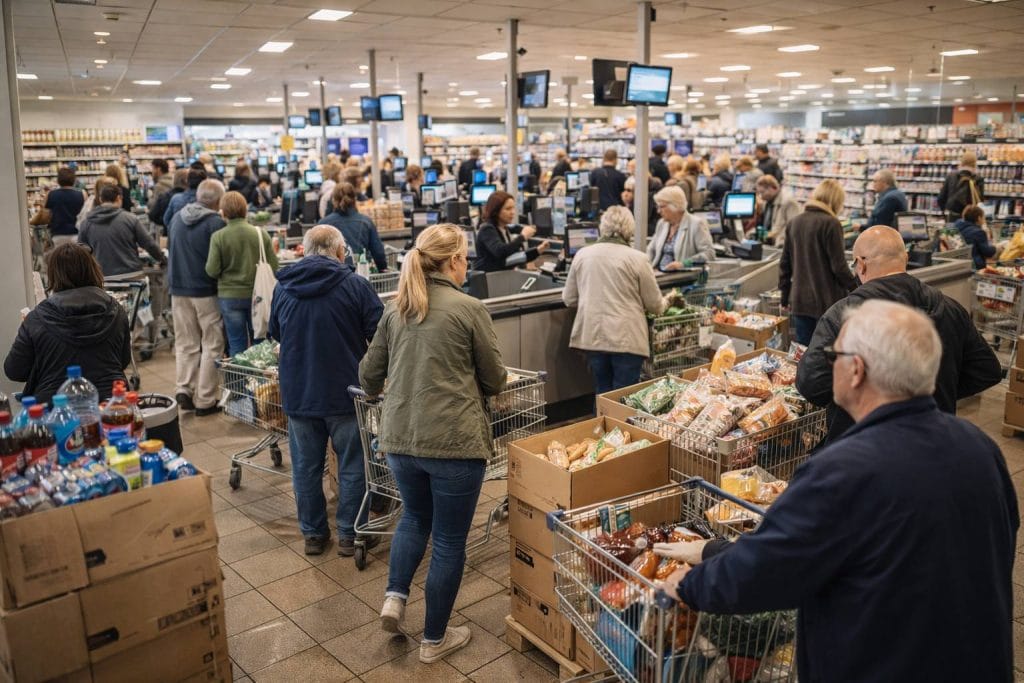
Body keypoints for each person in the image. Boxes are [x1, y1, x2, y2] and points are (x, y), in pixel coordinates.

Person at [658, 300, 1017, 683]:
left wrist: (690, 585)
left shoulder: (842, 470)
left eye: (834, 354)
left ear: (857, 370)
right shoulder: (980, 449)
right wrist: (713, 550)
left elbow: (766, 574)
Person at [359, 224, 507, 663]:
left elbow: (368, 375)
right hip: (455, 441)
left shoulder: (396, 309)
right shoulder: (469, 309)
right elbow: (495, 378)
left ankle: (395, 596)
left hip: (401, 440)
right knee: (447, 541)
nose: (467, 264)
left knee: (414, 518)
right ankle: (434, 641)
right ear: (453, 261)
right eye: (465, 256)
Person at [797, 225, 1001, 444]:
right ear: (905, 258)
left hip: (860, 444)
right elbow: (987, 370)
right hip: (933, 440)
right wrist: (935, 392)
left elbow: (812, 385)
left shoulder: (842, 315)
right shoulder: (949, 307)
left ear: (861, 264)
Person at [269, 226, 383, 557]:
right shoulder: (355, 285)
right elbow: (380, 333)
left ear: (304, 251)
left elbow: (275, 332)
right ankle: (350, 533)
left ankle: (314, 535)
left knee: (305, 467)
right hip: (345, 391)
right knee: (352, 463)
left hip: (299, 391)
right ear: (340, 251)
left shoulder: (284, 287)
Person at [4, 244, 131, 405]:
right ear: (92, 268)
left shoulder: (37, 318)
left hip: (54, 412)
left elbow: (14, 371)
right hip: (111, 406)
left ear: (53, 275)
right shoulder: (116, 311)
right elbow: (123, 360)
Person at [563, 207, 664, 393]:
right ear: (629, 229)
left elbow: (569, 298)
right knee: (624, 396)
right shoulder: (638, 259)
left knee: (602, 393)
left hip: (593, 336)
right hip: (626, 339)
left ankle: (599, 423)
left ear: (603, 226)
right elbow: (655, 305)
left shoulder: (582, 255)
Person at [167, 179, 227, 416]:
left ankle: (184, 387)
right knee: (212, 343)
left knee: (186, 343)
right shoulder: (215, 223)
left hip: (178, 289)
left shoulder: (177, 218)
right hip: (205, 291)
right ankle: (205, 399)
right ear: (218, 201)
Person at [778, 179, 857, 345]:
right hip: (827, 303)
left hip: (799, 301)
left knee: (803, 352)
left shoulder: (795, 222)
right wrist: (858, 287)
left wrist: (785, 297)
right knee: (825, 354)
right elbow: (839, 267)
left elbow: (785, 265)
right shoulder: (831, 223)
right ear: (836, 201)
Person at [205, 191, 279, 357]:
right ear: (245, 210)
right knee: (260, 342)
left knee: (236, 343)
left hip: (230, 297)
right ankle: (260, 382)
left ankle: (238, 382)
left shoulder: (218, 237)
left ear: (223, 212)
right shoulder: (261, 234)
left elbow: (212, 270)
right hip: (258, 296)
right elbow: (275, 267)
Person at [78, 180, 165, 277]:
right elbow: (149, 244)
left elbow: (81, 252)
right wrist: (162, 259)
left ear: (101, 199)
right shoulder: (130, 219)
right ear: (119, 198)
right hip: (131, 274)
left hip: (102, 276)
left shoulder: (86, 223)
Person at [474, 190, 549, 272]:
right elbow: (501, 252)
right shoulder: (487, 229)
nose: (512, 212)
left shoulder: (504, 229)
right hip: (487, 279)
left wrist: (537, 251)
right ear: (496, 211)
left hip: (500, 277)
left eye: (513, 208)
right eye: (508, 209)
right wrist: (522, 237)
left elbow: (514, 258)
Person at [319, 183, 388, 271]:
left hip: (333, 276)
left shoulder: (323, 224)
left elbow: (317, 256)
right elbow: (378, 253)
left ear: (333, 200)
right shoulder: (366, 222)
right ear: (355, 199)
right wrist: (382, 268)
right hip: (361, 274)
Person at [647, 186, 714, 270]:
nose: (658, 211)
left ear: (675, 206)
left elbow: (709, 254)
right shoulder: (662, 223)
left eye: (662, 207)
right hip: (659, 273)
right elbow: (651, 249)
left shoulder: (696, 224)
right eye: (658, 207)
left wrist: (683, 264)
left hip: (681, 277)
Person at [37, 167, 85, 246]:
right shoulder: (82, 194)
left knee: (59, 257)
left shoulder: (51, 194)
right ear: (73, 180)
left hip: (58, 234)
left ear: (58, 180)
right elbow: (85, 215)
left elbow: (45, 217)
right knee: (76, 257)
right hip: (77, 234)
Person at [753, 175, 800, 247]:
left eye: (762, 192)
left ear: (773, 188)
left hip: (781, 245)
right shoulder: (767, 202)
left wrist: (776, 237)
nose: (761, 196)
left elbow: (794, 227)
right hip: (769, 243)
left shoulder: (788, 202)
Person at [939, 151, 986, 221]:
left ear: (961, 161)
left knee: (953, 231)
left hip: (953, 215)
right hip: (971, 218)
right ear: (975, 163)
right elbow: (980, 200)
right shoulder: (978, 178)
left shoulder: (951, 176)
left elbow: (941, 198)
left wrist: (944, 212)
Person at [955, 204, 999, 269]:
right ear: (979, 218)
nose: (984, 220)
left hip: (958, 263)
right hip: (974, 266)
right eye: (984, 218)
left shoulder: (956, 226)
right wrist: (996, 247)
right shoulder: (978, 232)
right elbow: (988, 252)